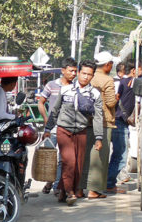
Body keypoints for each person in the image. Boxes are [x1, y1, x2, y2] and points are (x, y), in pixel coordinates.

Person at [44, 59, 101, 206]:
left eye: (89, 74)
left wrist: (99, 138)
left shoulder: (94, 94)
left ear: (93, 75)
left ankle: (63, 191)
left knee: (78, 166)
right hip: (64, 130)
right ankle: (71, 193)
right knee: (69, 161)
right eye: (83, 73)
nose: (85, 77)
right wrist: (47, 129)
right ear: (78, 73)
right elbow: (54, 111)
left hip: (81, 131)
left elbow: (98, 117)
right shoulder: (65, 90)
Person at [38, 58, 77, 195]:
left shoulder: (75, 88)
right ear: (63, 71)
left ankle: (56, 186)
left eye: (75, 71)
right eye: (71, 71)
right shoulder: (51, 85)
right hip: (52, 127)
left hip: (66, 127)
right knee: (50, 156)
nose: (73, 74)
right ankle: (51, 181)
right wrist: (46, 119)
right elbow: (41, 102)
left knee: (63, 159)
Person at [85, 51, 118, 199]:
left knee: (88, 157)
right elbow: (110, 102)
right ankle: (94, 190)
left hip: (87, 121)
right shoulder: (107, 80)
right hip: (104, 121)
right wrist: (116, 98)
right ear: (107, 65)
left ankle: (82, 188)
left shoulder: (88, 77)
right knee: (100, 157)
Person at [108, 59, 136, 193]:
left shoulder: (120, 82)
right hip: (119, 122)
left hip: (117, 121)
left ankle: (110, 183)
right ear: (134, 71)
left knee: (117, 154)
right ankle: (109, 183)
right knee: (120, 155)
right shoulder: (129, 82)